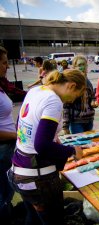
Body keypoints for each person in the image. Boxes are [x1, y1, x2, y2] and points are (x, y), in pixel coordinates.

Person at [8, 69, 85, 225]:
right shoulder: (54, 101)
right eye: (76, 95)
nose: (72, 100)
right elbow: (42, 145)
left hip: (19, 170)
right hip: (38, 179)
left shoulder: (36, 91)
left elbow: (22, 128)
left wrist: (54, 141)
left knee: (33, 219)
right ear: (71, 86)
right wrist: (72, 151)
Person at [0, 46, 16, 224]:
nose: (7, 66)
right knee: (3, 193)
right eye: (4, 63)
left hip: (6, 147)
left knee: (6, 192)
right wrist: (14, 135)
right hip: (2, 148)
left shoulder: (2, 84)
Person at [63, 55, 98, 134]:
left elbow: (93, 97)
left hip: (89, 120)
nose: (82, 67)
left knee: (89, 144)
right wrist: (65, 126)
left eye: (84, 65)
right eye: (79, 65)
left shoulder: (88, 82)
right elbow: (66, 106)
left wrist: (94, 101)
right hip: (76, 122)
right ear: (74, 67)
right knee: (80, 144)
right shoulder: (72, 83)